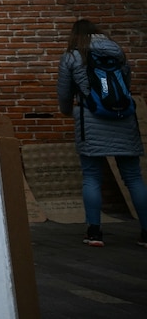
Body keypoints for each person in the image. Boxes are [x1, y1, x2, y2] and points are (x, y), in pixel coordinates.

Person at [56, 18, 147, 248]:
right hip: (123, 119)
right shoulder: (118, 53)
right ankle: (146, 232)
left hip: (91, 119)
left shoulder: (73, 55)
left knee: (92, 176)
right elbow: (126, 85)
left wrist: (68, 111)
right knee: (134, 178)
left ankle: (94, 233)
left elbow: (64, 90)